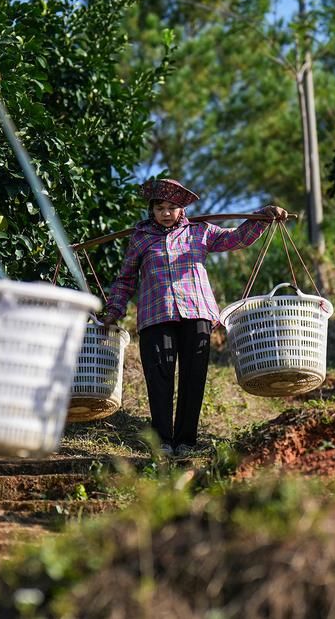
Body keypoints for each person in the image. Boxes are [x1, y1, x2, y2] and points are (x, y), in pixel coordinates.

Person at [100, 178, 287, 458]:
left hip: (196, 312)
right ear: (151, 210)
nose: (166, 213)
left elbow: (237, 238)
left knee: (193, 377)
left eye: (172, 207)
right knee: (159, 378)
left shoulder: (200, 231)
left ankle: (186, 441)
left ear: (182, 209)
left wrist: (263, 216)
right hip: (156, 314)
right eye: (160, 208)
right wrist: (113, 311)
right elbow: (125, 279)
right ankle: (162, 442)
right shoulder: (140, 238)